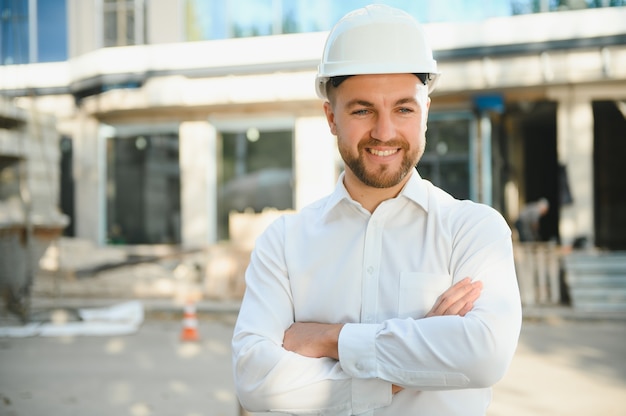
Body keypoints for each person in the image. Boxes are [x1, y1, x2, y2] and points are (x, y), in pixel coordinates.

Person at [232, 5, 522, 415]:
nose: (384, 132)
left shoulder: (473, 231)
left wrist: (331, 340)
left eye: (403, 108)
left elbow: (485, 355)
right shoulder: (283, 242)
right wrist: (416, 356)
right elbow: (255, 382)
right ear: (331, 117)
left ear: (425, 114)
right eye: (362, 109)